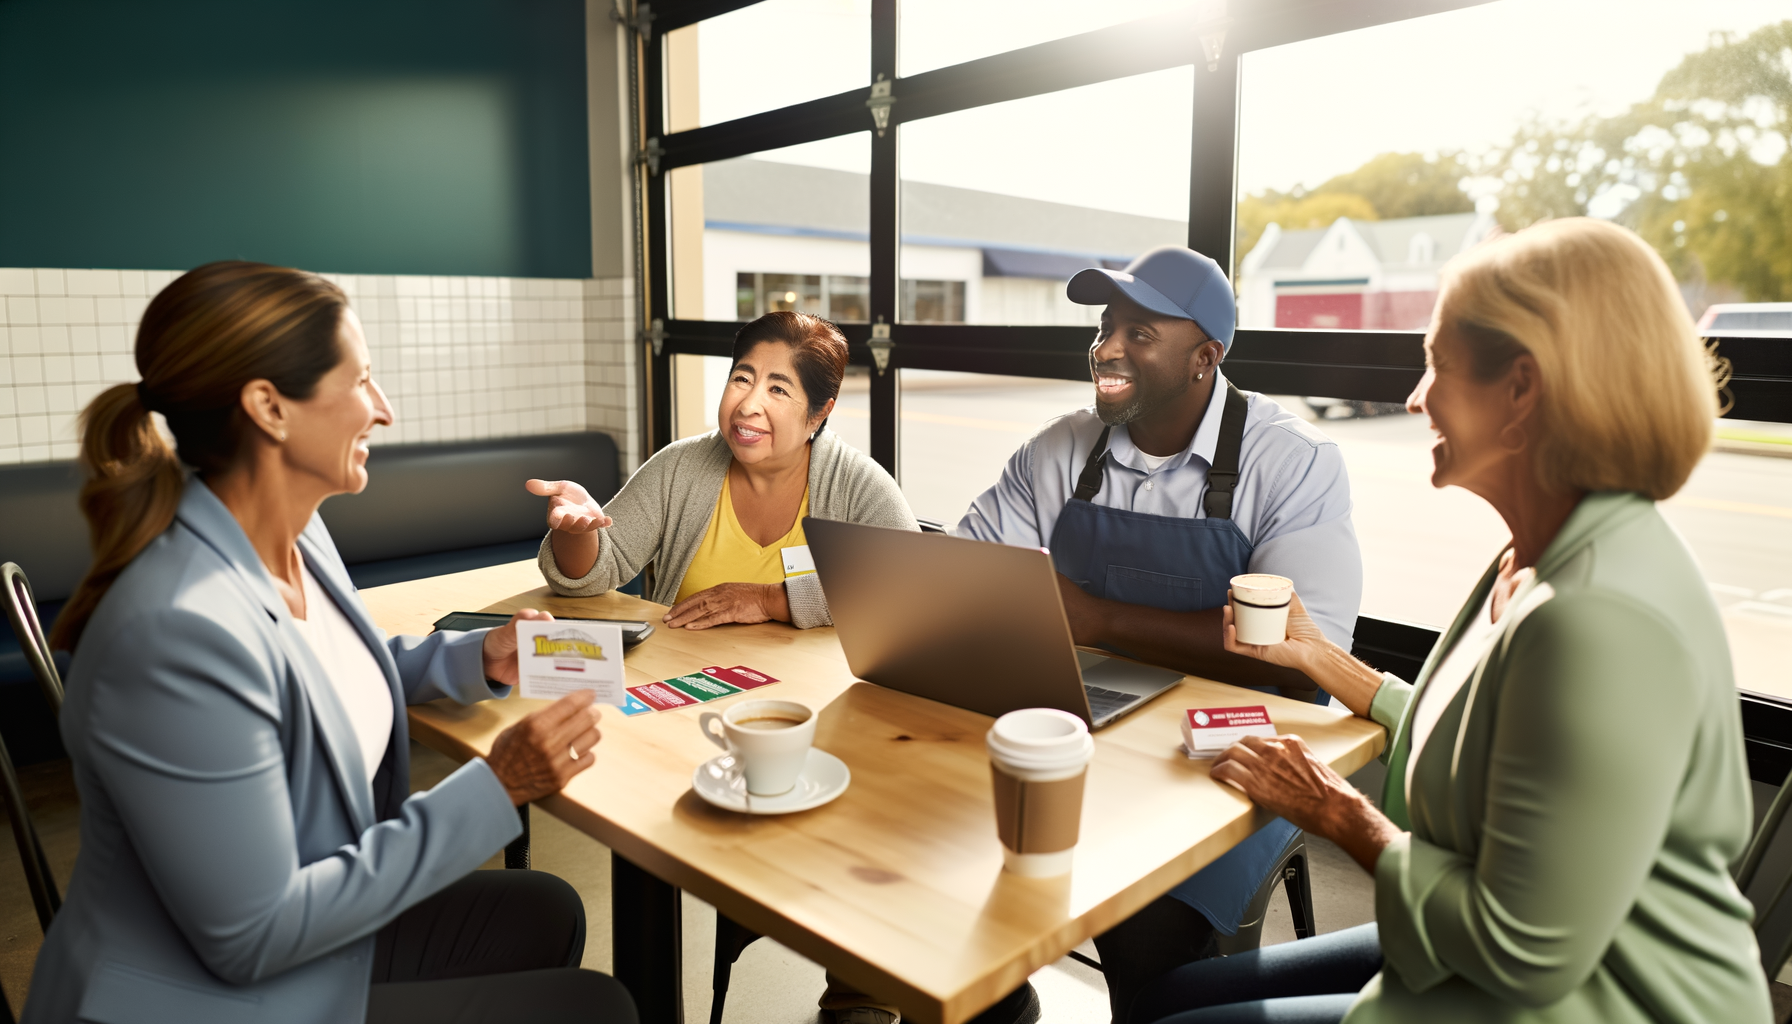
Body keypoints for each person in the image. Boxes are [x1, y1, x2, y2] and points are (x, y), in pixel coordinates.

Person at [1130, 218, 1771, 1023]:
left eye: (1436, 364)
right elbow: (1495, 735)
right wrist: (1326, 660)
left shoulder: (1599, 621)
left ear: (1522, 389)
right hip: (1497, 954)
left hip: (1590, 1000)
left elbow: (1520, 952)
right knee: (1164, 999)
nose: (1415, 398)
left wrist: (1340, 813)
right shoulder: (1536, 551)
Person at [25, 262, 635, 1024]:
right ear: (268, 408)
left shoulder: (299, 530)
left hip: (297, 925)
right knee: (593, 1008)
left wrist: (475, 657)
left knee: (543, 910)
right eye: (362, 381)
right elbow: (254, 935)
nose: (384, 410)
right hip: (213, 992)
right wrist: (497, 784)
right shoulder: (175, 631)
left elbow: (323, 677)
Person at [955, 246, 1364, 1020]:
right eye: (1105, 326)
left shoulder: (1294, 462)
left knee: (1145, 937)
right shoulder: (1058, 449)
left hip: (1232, 754)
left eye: (1138, 333)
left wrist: (1098, 619)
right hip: (1084, 716)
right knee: (949, 869)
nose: (1106, 347)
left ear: (1205, 358)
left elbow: (1310, 654)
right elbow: (966, 571)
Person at [529, 310, 917, 629]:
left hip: (813, 692)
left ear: (819, 413)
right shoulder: (678, 467)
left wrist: (768, 600)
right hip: (682, 680)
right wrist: (576, 532)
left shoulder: (859, 486)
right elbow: (594, 573)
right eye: (742, 379)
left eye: (778, 389)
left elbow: (914, 592)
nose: (748, 405)